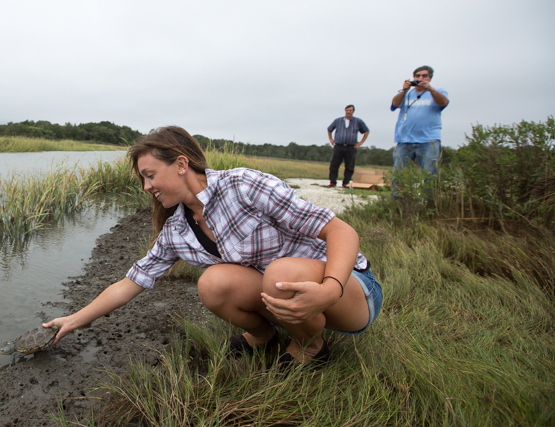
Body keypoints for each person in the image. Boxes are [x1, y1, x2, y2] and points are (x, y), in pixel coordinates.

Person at [44, 126, 383, 369]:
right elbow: (130, 283)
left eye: (149, 175)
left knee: (280, 274)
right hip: (287, 296)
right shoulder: (177, 228)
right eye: (142, 180)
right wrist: (74, 320)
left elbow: (341, 232)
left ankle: (311, 348)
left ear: (180, 164)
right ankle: (264, 338)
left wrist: (329, 289)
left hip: (349, 289)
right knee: (212, 282)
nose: (146, 187)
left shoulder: (243, 185)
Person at [391, 65, 449, 178]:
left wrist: (431, 89)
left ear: (430, 78)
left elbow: (443, 103)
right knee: (399, 173)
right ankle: (398, 195)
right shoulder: (406, 94)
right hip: (405, 140)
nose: (420, 78)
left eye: (424, 76)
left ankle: (429, 196)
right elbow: (394, 105)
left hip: (428, 140)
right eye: (417, 76)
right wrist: (404, 91)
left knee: (430, 173)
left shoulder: (438, 92)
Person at [326, 105, 370, 188]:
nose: (348, 112)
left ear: (353, 111)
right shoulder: (338, 120)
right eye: (347, 110)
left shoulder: (358, 121)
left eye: (350, 110)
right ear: (345, 111)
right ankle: (332, 182)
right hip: (339, 145)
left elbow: (366, 131)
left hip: (351, 147)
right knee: (334, 165)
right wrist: (331, 139)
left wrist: (360, 143)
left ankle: (346, 183)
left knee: (349, 166)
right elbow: (329, 129)